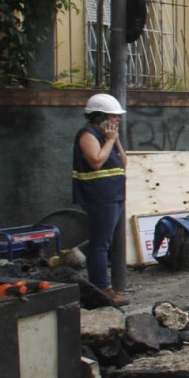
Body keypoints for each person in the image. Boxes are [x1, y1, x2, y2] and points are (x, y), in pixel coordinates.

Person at [73, 93, 129, 306]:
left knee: (104, 242)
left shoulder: (107, 138)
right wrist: (110, 140)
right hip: (99, 197)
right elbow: (95, 161)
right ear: (99, 117)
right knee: (100, 244)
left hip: (112, 195)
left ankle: (103, 287)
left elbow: (123, 163)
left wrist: (115, 141)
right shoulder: (87, 135)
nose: (117, 120)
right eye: (113, 116)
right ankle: (101, 288)